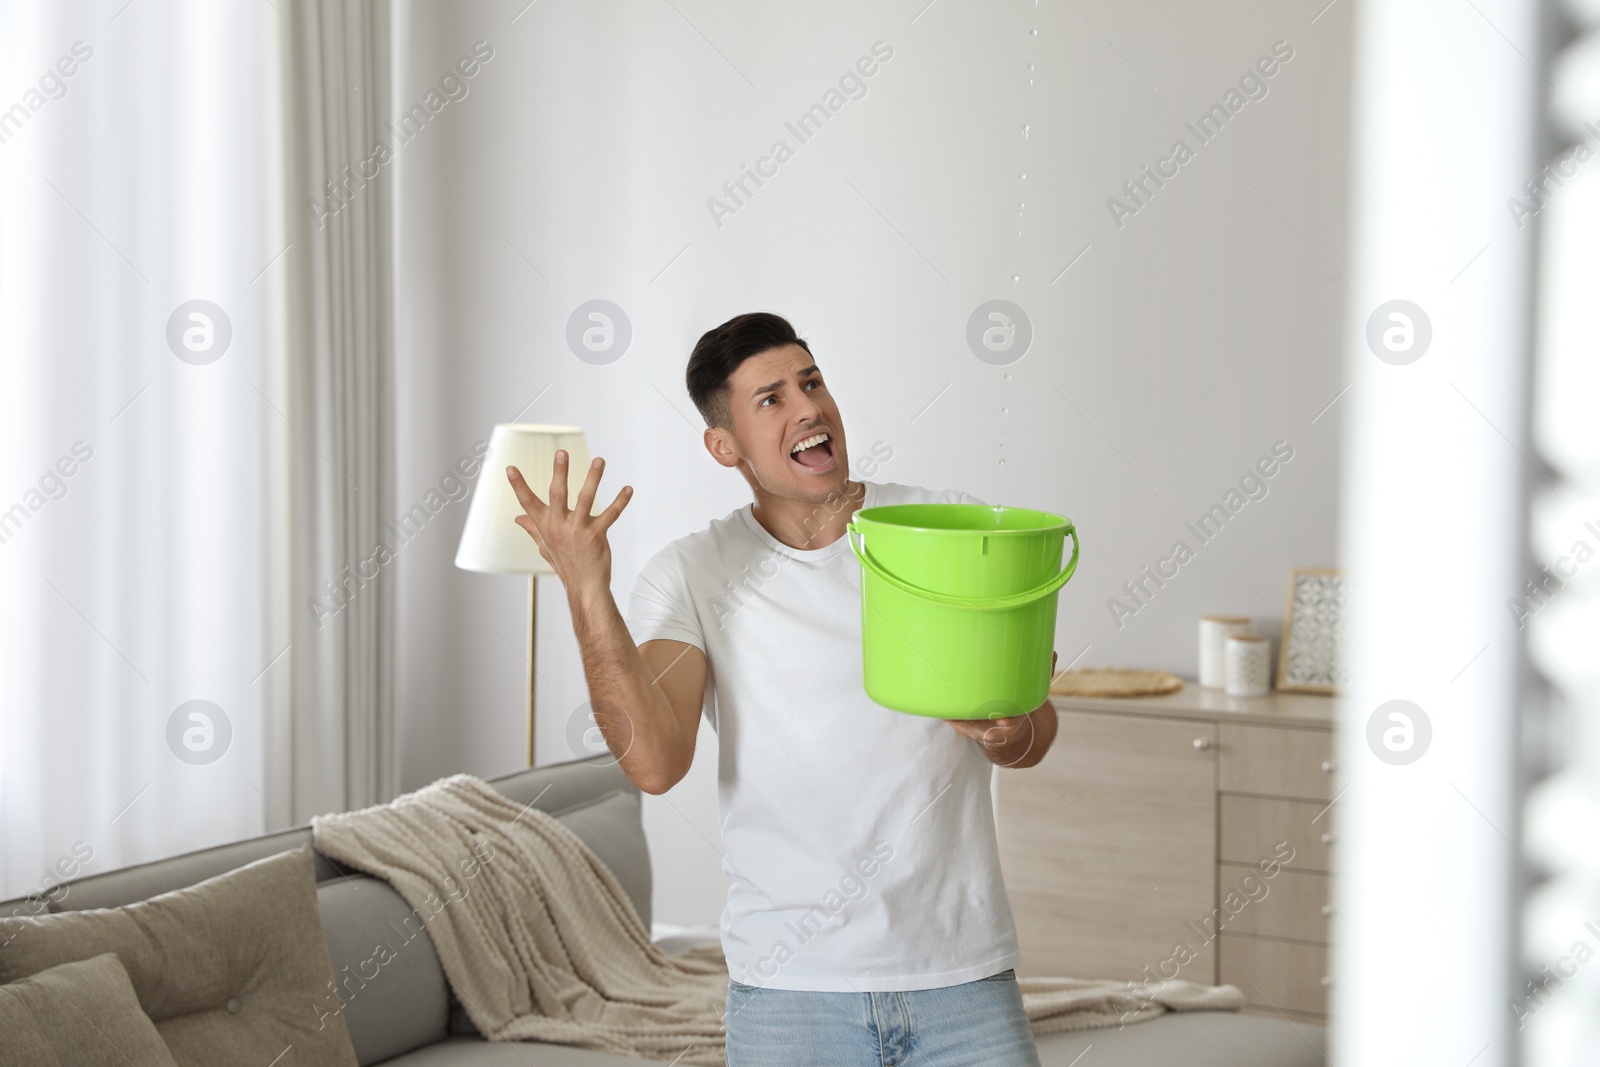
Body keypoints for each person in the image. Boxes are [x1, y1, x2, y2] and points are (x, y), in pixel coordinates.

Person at [506, 311, 1056, 1066]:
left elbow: (1033, 731)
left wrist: (1010, 731)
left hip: (960, 977)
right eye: (771, 398)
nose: (808, 408)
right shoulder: (692, 573)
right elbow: (655, 762)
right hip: (791, 993)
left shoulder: (940, 529)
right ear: (723, 445)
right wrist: (585, 588)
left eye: (812, 382)